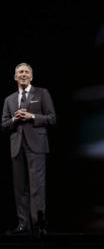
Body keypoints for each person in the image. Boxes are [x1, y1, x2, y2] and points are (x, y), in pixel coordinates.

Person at [1, 62, 56, 235]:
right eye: (20, 72)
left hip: (37, 145)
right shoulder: (9, 100)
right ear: (15, 77)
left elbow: (52, 118)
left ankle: (39, 224)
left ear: (31, 76)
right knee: (20, 187)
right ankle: (23, 225)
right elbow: (3, 125)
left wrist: (31, 116)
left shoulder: (42, 93)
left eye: (26, 72)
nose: (23, 74)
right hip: (17, 146)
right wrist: (15, 120)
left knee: (37, 186)